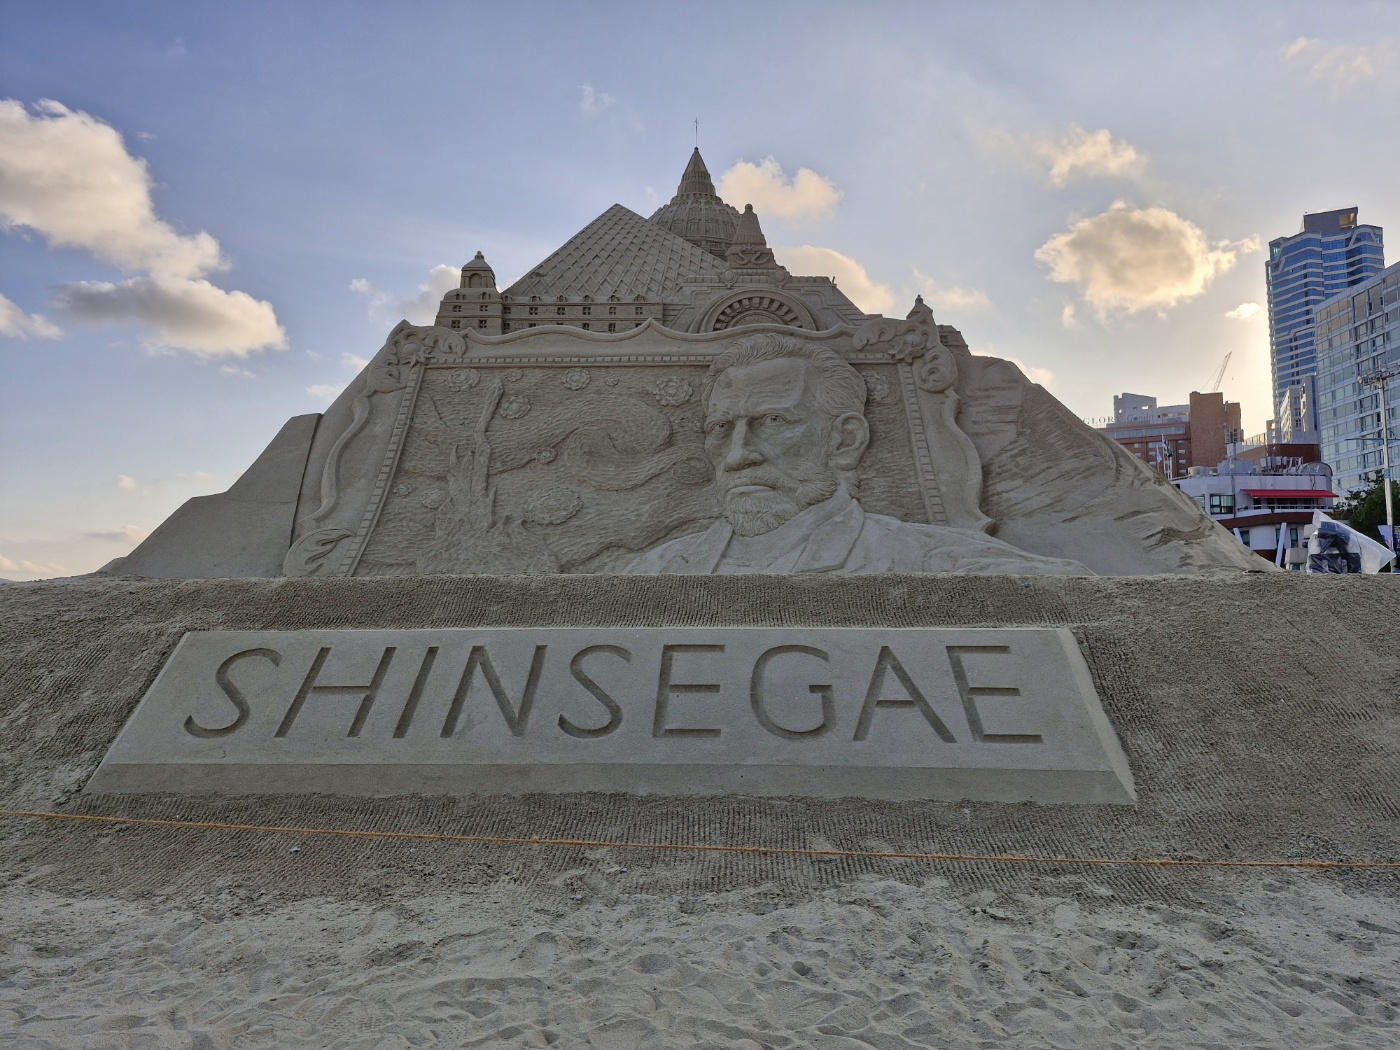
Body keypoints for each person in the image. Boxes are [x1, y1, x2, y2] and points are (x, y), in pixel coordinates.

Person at [623, 334, 1089, 575]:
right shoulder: (653, 571)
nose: (737, 456)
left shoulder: (941, 562)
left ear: (846, 440)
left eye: (774, 421)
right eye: (721, 429)